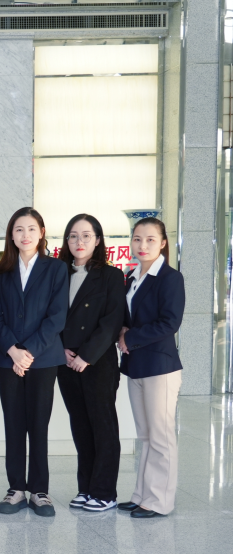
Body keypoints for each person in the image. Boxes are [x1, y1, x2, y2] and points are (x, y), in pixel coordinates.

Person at [0, 207, 68, 517]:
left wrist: (28, 352)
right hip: (8, 359)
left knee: (38, 424)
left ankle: (39, 491)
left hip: (43, 359)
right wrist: (13, 350)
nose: (25, 235)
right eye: (19, 229)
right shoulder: (0, 271)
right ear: (11, 234)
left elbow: (56, 317)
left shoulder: (56, 269)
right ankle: (16, 489)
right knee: (13, 424)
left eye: (31, 229)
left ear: (42, 233)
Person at [56, 214, 126, 512]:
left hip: (97, 361)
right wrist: (60, 350)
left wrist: (86, 356)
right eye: (73, 235)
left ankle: (104, 492)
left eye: (86, 235)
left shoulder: (111, 276)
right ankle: (85, 488)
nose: (79, 241)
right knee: (80, 426)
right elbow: (49, 316)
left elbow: (112, 321)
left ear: (97, 240)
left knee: (103, 426)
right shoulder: (58, 273)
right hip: (64, 360)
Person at [118, 217, 185, 518]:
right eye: (137, 239)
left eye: (150, 239)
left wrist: (129, 337)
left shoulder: (170, 278)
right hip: (136, 365)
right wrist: (122, 331)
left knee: (160, 436)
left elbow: (170, 322)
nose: (142, 245)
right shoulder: (132, 277)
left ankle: (159, 501)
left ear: (163, 243)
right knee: (145, 435)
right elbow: (128, 317)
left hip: (160, 367)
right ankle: (142, 495)